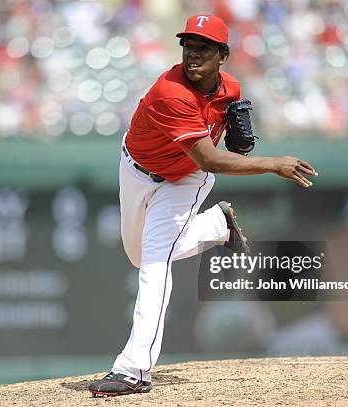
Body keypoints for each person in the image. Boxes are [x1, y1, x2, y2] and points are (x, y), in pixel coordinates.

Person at [89, 15, 317, 397]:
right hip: (137, 170)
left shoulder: (231, 89)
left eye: (203, 47)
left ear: (222, 55)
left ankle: (133, 369)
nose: (192, 54)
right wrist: (273, 163)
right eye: (188, 46)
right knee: (137, 254)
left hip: (185, 181)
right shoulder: (170, 92)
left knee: (155, 262)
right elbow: (213, 158)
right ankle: (216, 226)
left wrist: (239, 142)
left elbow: (220, 152)